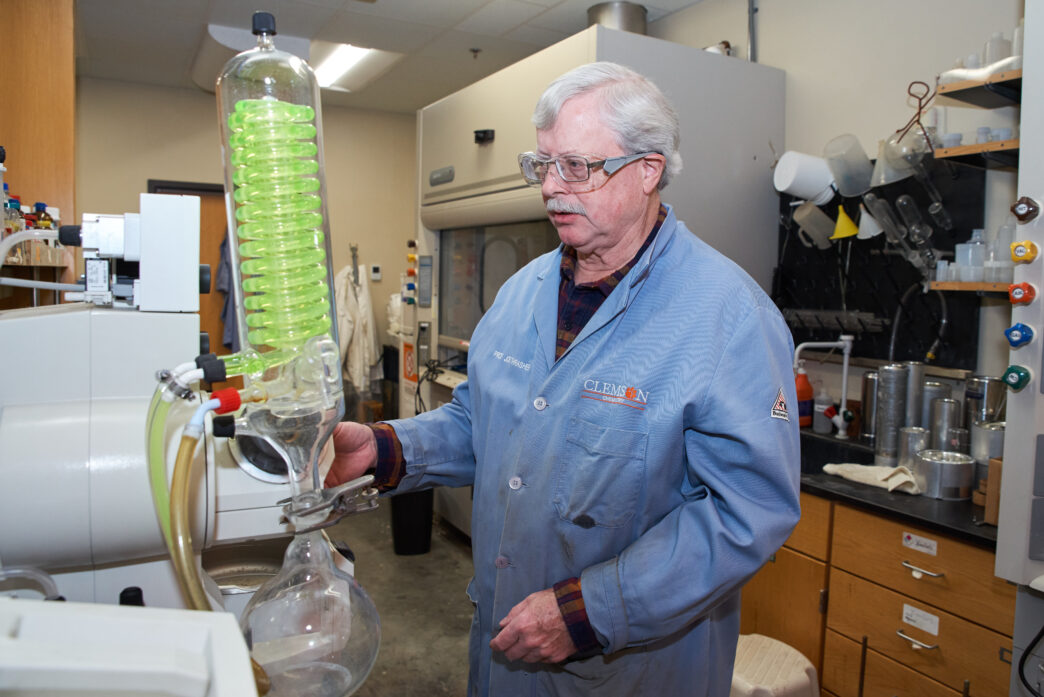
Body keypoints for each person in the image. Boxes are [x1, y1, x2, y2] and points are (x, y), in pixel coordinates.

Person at [326, 61, 801, 696]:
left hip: (630, 671)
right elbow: (482, 422)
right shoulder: (524, 293)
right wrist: (388, 449)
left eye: (576, 167)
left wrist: (592, 611)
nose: (551, 188)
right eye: (542, 165)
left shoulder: (727, 316)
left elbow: (748, 512)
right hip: (502, 657)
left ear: (648, 169)